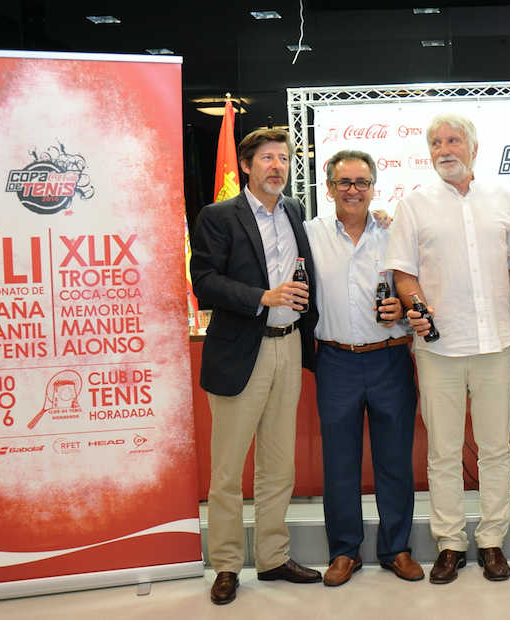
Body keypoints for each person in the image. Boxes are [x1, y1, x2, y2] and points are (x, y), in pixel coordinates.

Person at [384, 113, 510, 584]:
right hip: (437, 349)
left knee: (496, 449)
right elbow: (403, 273)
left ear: (474, 147)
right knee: (443, 452)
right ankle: (449, 543)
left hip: (497, 344)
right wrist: (416, 305)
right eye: (436, 142)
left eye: (453, 140)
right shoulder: (413, 205)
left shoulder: (507, 200)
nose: (445, 149)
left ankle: (492, 541)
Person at [190, 128, 322, 604]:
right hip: (240, 352)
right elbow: (204, 281)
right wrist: (262, 297)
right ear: (246, 165)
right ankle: (226, 565)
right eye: (267, 158)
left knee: (278, 464)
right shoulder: (218, 216)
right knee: (227, 471)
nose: (277, 166)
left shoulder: (294, 211)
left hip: (288, 347)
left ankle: (272, 557)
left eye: (283, 158)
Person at [305, 149, 424, 586]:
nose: (353, 190)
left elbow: (417, 287)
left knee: (395, 460)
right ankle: (344, 552)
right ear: (329, 187)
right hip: (335, 360)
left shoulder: (395, 233)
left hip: (390, 359)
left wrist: (402, 310)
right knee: (340, 463)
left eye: (361, 183)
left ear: (374, 187)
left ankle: (396, 549)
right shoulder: (310, 234)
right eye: (344, 182)